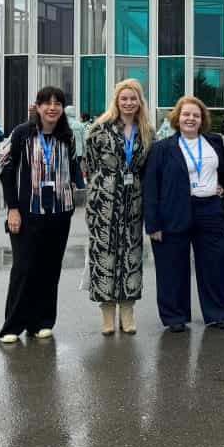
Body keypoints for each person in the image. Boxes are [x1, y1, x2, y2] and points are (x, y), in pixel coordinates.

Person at [0, 86, 85, 344]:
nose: (52, 107)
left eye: (57, 103)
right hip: (27, 213)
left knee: (50, 269)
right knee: (24, 269)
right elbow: (6, 170)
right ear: (37, 106)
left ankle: (42, 322)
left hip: (59, 213)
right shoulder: (22, 133)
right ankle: (13, 324)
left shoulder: (67, 136)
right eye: (47, 102)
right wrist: (12, 208)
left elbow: (74, 169)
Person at [143, 96, 224, 332]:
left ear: (202, 119)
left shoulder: (214, 142)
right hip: (174, 210)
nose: (191, 119)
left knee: (215, 263)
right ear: (177, 118)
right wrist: (153, 225)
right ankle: (175, 317)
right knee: (172, 267)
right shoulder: (162, 149)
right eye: (186, 114)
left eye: (196, 115)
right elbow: (151, 188)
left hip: (210, 210)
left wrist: (223, 187)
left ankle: (219, 312)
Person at [84, 79, 154, 335]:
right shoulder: (99, 129)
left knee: (131, 255)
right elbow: (89, 164)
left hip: (133, 200)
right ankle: (107, 313)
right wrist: (101, 189)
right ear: (116, 101)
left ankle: (127, 311)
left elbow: (148, 168)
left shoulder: (147, 131)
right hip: (104, 200)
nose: (128, 103)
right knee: (105, 255)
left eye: (133, 98)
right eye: (124, 98)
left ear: (139, 102)